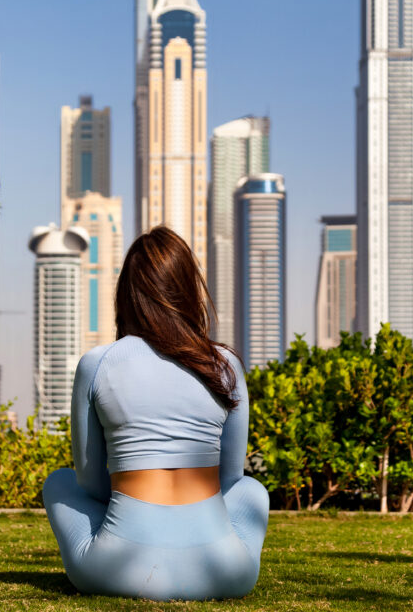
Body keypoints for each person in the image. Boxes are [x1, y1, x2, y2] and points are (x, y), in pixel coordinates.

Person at [43, 225, 269, 601]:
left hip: (116, 571)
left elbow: (90, 484)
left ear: (126, 295)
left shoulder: (98, 363)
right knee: (252, 489)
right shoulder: (223, 364)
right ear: (189, 291)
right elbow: (230, 478)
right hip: (225, 572)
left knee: (60, 482)